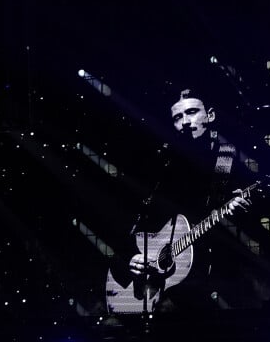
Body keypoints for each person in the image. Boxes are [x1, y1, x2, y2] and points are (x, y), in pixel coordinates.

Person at [105, 87, 257, 316]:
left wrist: (235, 211)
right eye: (177, 117)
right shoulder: (164, 166)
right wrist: (131, 257)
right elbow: (130, 220)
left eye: (192, 112)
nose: (185, 122)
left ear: (210, 116)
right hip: (170, 296)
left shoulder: (228, 160)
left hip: (218, 285)